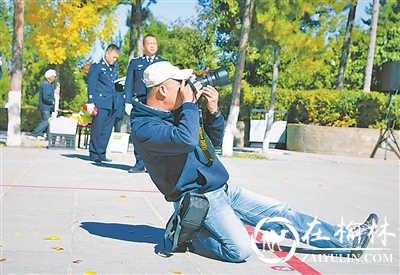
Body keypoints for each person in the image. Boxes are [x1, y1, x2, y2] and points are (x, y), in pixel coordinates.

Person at [129, 61, 379, 262]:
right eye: (181, 83)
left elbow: (210, 143)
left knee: (281, 214)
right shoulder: (145, 127)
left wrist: (213, 111)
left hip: (222, 189)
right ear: (162, 90)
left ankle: (347, 240)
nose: (187, 87)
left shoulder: (178, 112)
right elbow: (185, 140)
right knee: (239, 250)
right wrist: (189, 106)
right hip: (198, 200)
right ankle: (188, 235)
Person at [124, 34, 167, 173]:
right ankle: (139, 163)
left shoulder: (163, 63)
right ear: (143, 46)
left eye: (155, 43)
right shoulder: (135, 63)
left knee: (156, 133)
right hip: (139, 102)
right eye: (149, 43)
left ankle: (154, 165)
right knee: (138, 133)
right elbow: (129, 83)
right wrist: (127, 102)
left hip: (156, 103)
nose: (152, 45)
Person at [86, 44, 120, 163]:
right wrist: (91, 102)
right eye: (114, 57)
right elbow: (92, 83)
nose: (115, 60)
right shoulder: (97, 66)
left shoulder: (113, 68)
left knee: (106, 130)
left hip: (112, 103)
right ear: (107, 53)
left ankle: (102, 152)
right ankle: (94, 153)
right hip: (100, 102)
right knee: (97, 128)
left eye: (116, 58)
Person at [28, 69, 57, 140]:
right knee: (46, 121)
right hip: (46, 107)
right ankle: (34, 134)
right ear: (50, 76)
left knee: (49, 121)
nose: (55, 78)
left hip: (47, 107)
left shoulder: (48, 84)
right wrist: (52, 102)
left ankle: (49, 137)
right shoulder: (46, 85)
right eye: (54, 76)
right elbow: (46, 97)